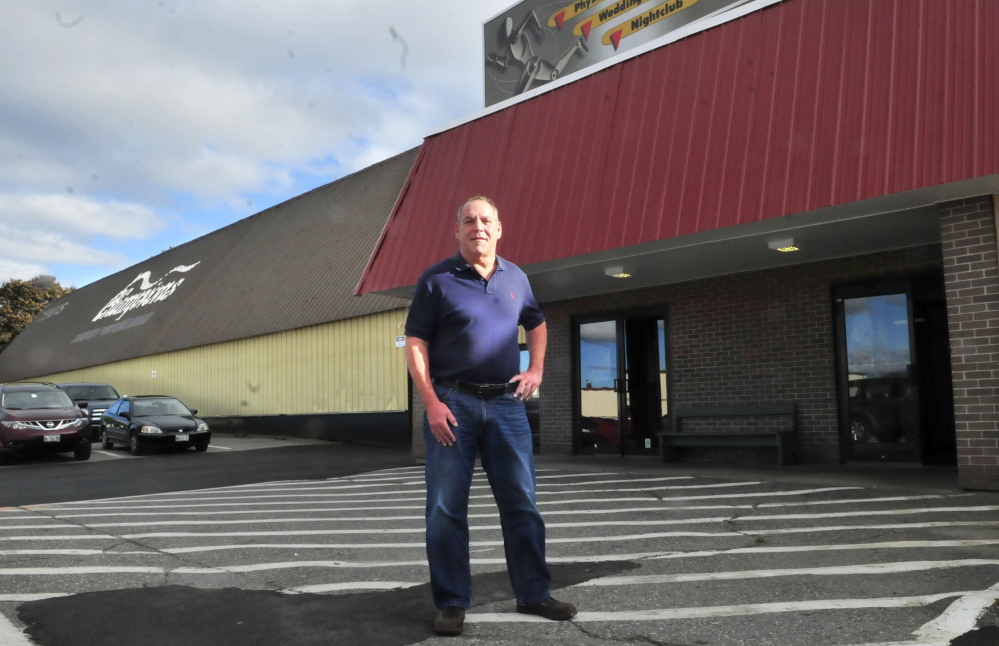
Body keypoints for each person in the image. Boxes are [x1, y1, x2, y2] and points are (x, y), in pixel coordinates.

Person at [404, 196, 577, 636]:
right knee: (445, 508)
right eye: (468, 220)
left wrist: (535, 369)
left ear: (499, 229)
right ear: (457, 231)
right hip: (452, 405)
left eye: (485, 221)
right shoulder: (435, 280)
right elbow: (416, 343)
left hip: (506, 405)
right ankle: (451, 602)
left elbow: (535, 322)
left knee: (522, 503)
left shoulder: (516, 277)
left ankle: (534, 593)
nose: (477, 226)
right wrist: (431, 401)